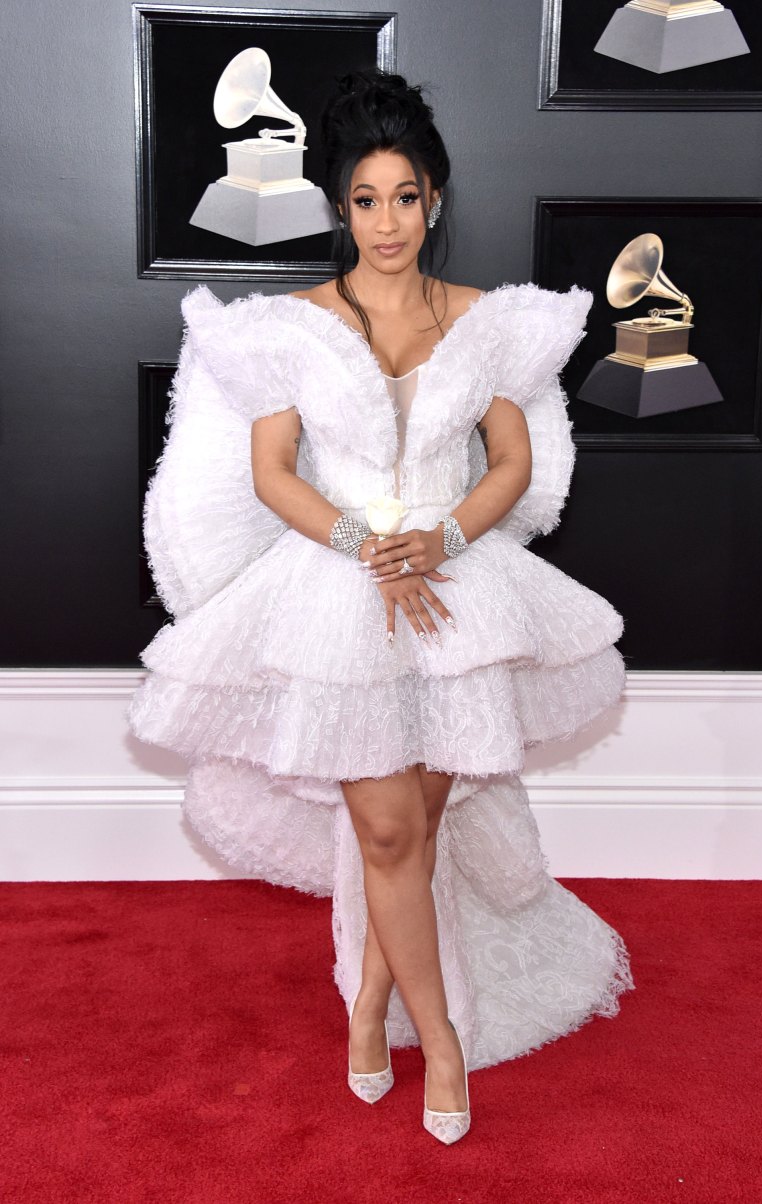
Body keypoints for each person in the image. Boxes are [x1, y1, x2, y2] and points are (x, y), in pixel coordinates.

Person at [126, 69, 634, 1146]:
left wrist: (442, 540)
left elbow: (510, 461)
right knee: (388, 825)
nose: (387, 221)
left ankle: (368, 997)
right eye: (365, 199)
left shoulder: (483, 319)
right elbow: (273, 473)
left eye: (405, 197)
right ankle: (439, 1038)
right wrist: (367, 547)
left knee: (422, 823)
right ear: (338, 206)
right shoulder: (291, 327)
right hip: (338, 592)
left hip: (457, 595)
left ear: (434, 200)